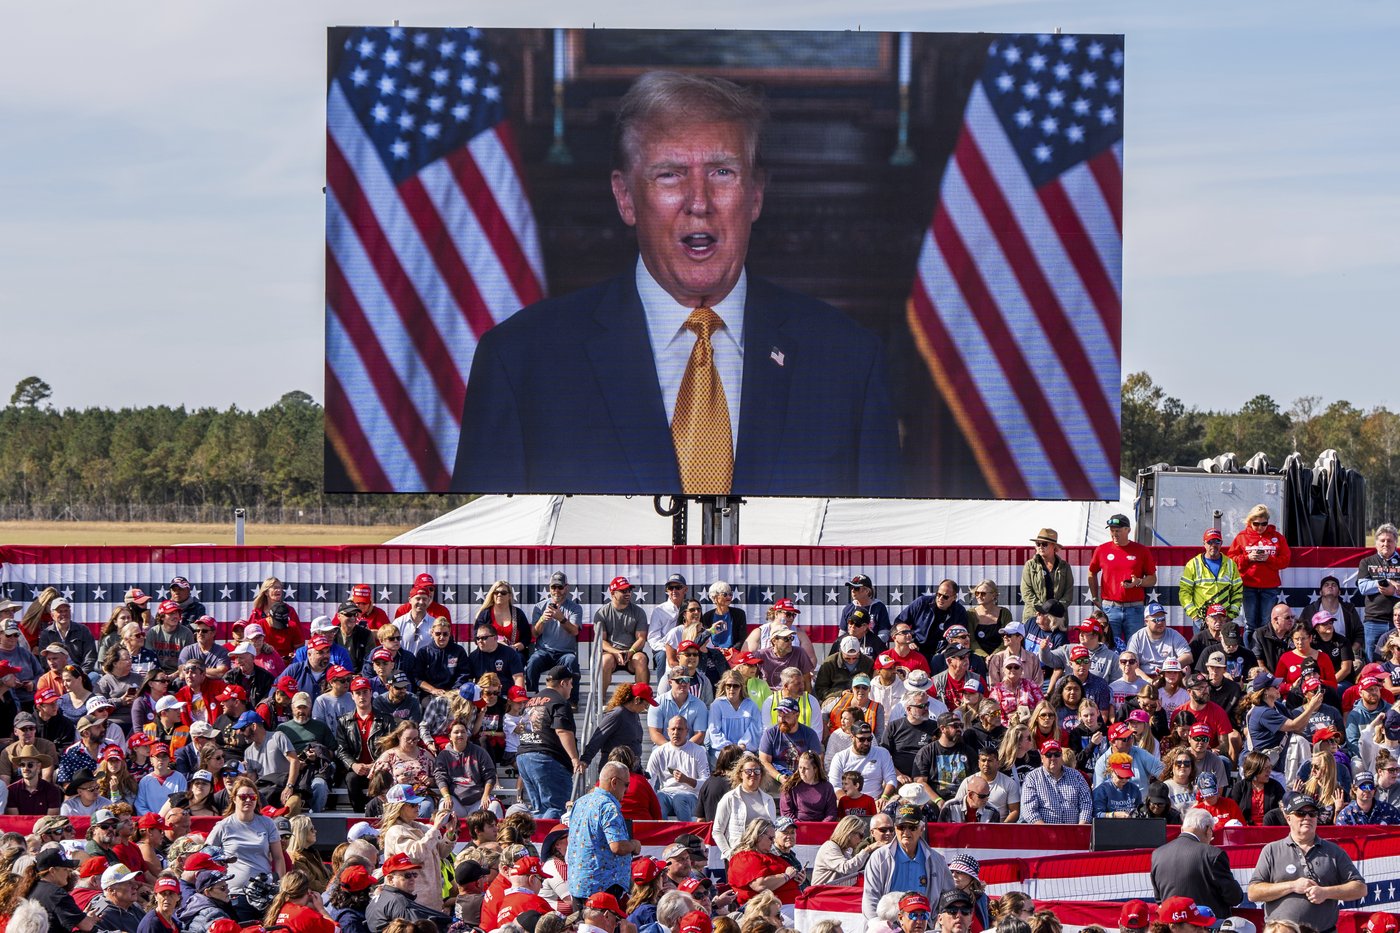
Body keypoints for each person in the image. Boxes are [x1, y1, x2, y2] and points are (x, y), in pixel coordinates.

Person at [453, 69, 901, 497]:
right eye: (670, 174)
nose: (699, 202)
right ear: (625, 197)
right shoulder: (523, 362)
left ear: (755, 194)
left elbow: (880, 542)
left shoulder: (847, 361)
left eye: (722, 172)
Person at [1246, 792, 1366, 930]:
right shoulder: (1271, 850)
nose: (1307, 817)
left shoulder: (1334, 851)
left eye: (1312, 814)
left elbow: (1360, 888)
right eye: (1300, 813)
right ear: (1288, 818)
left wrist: (1325, 892)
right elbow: (1253, 893)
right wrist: (1292, 886)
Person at [566, 762, 640, 914]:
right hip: (603, 886)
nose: (627, 790)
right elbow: (617, 847)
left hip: (578, 883)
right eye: (626, 785)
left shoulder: (580, 802)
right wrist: (634, 845)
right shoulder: (608, 806)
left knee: (582, 925)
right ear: (614, 782)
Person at [1150, 806, 1245, 918]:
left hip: (1172, 922)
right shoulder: (1213, 854)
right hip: (1206, 923)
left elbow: (1159, 899)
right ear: (1208, 830)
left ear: (1182, 829)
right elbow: (1234, 897)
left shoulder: (1158, 854)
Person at [861, 804, 952, 919]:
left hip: (924, 924)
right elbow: (870, 899)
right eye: (901, 827)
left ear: (922, 829)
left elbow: (947, 897)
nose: (906, 832)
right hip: (888, 924)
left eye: (912, 827)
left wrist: (936, 924)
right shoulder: (879, 858)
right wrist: (880, 926)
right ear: (895, 828)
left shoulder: (936, 860)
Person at [514, 666, 580, 820]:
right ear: (563, 683)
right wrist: (574, 758)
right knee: (557, 808)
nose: (572, 687)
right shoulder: (560, 701)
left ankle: (539, 835)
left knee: (539, 809)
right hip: (546, 759)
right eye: (571, 683)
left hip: (524, 757)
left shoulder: (531, 701)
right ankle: (551, 836)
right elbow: (562, 730)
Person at [205, 775, 285, 894]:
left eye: (252, 797)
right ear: (234, 799)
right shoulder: (223, 826)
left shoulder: (268, 823)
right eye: (243, 797)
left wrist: (279, 886)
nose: (248, 800)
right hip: (233, 892)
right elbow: (206, 854)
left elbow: (278, 858)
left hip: (263, 891)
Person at [1088, 514, 1157, 649]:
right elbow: (1091, 572)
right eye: (1112, 530)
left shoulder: (1141, 550)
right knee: (1109, 647)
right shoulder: (1102, 550)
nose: (1114, 534)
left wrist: (1138, 582)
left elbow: (1152, 579)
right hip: (1110, 607)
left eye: (1118, 530)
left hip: (1135, 608)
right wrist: (1095, 596)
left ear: (1128, 530)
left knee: (1135, 647)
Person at [1228, 505, 1292, 632]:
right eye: (1256, 524)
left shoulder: (1277, 537)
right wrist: (1248, 557)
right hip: (1248, 586)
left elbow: (1285, 561)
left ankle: (1263, 645)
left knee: (1265, 623)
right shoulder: (1241, 537)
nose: (1260, 527)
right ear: (1250, 522)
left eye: (1264, 524)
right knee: (1250, 624)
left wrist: (1268, 558)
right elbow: (1231, 561)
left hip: (1269, 586)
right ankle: (1249, 646)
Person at [726, 818, 801, 916]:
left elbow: (789, 874)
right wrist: (786, 876)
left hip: (786, 906)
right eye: (770, 838)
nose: (773, 842)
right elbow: (760, 885)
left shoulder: (769, 856)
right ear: (758, 836)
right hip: (765, 910)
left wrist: (798, 878)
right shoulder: (745, 857)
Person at [527, 573, 582, 697]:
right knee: (533, 662)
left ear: (566, 587)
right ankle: (532, 698)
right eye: (553, 587)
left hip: (565, 653)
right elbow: (535, 633)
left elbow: (574, 631)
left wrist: (561, 619)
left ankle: (572, 701)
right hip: (544, 652)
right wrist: (542, 620)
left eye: (560, 587)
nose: (556, 591)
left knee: (571, 660)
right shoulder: (539, 607)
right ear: (549, 588)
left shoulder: (575, 608)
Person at [366, 853, 452, 932]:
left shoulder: (381, 896)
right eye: (407, 875)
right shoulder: (398, 901)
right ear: (390, 879)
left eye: (414, 874)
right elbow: (419, 928)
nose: (412, 879)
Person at [714, 753, 776, 860]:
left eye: (757, 771)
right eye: (748, 771)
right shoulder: (730, 798)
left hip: (763, 858)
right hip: (738, 857)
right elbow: (717, 831)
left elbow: (773, 830)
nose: (753, 774)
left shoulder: (769, 800)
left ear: (761, 775)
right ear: (740, 774)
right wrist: (729, 854)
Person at [1180, 528, 1244, 626]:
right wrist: (1195, 616)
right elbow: (1184, 593)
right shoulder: (1193, 564)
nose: (1213, 545)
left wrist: (1230, 616)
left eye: (1217, 541)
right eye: (1210, 542)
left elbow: (1238, 592)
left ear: (1221, 543)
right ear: (1204, 544)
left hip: (1224, 619)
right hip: (1202, 619)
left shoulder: (1230, 564)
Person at [1020, 740, 1091, 824]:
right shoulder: (1032, 778)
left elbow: (1086, 802)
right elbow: (1029, 809)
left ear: (1061, 757)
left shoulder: (1076, 775)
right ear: (1042, 758)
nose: (1053, 758)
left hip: (1074, 829)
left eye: (1057, 754)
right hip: (1042, 830)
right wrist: (1044, 829)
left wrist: (1081, 827)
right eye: (1048, 755)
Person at [1021, 529, 1075, 623]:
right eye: (1038, 544)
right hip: (1035, 615)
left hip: (1057, 617)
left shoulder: (1065, 566)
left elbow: (1068, 592)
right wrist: (1043, 608)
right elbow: (1026, 591)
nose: (1040, 547)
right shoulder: (1030, 565)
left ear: (1054, 546)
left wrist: (1057, 607)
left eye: (1044, 544)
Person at [810, 815, 880, 886]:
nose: (862, 839)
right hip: (820, 891)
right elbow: (846, 868)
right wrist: (868, 849)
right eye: (860, 835)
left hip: (832, 891)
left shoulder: (846, 850)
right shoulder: (829, 847)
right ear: (849, 833)